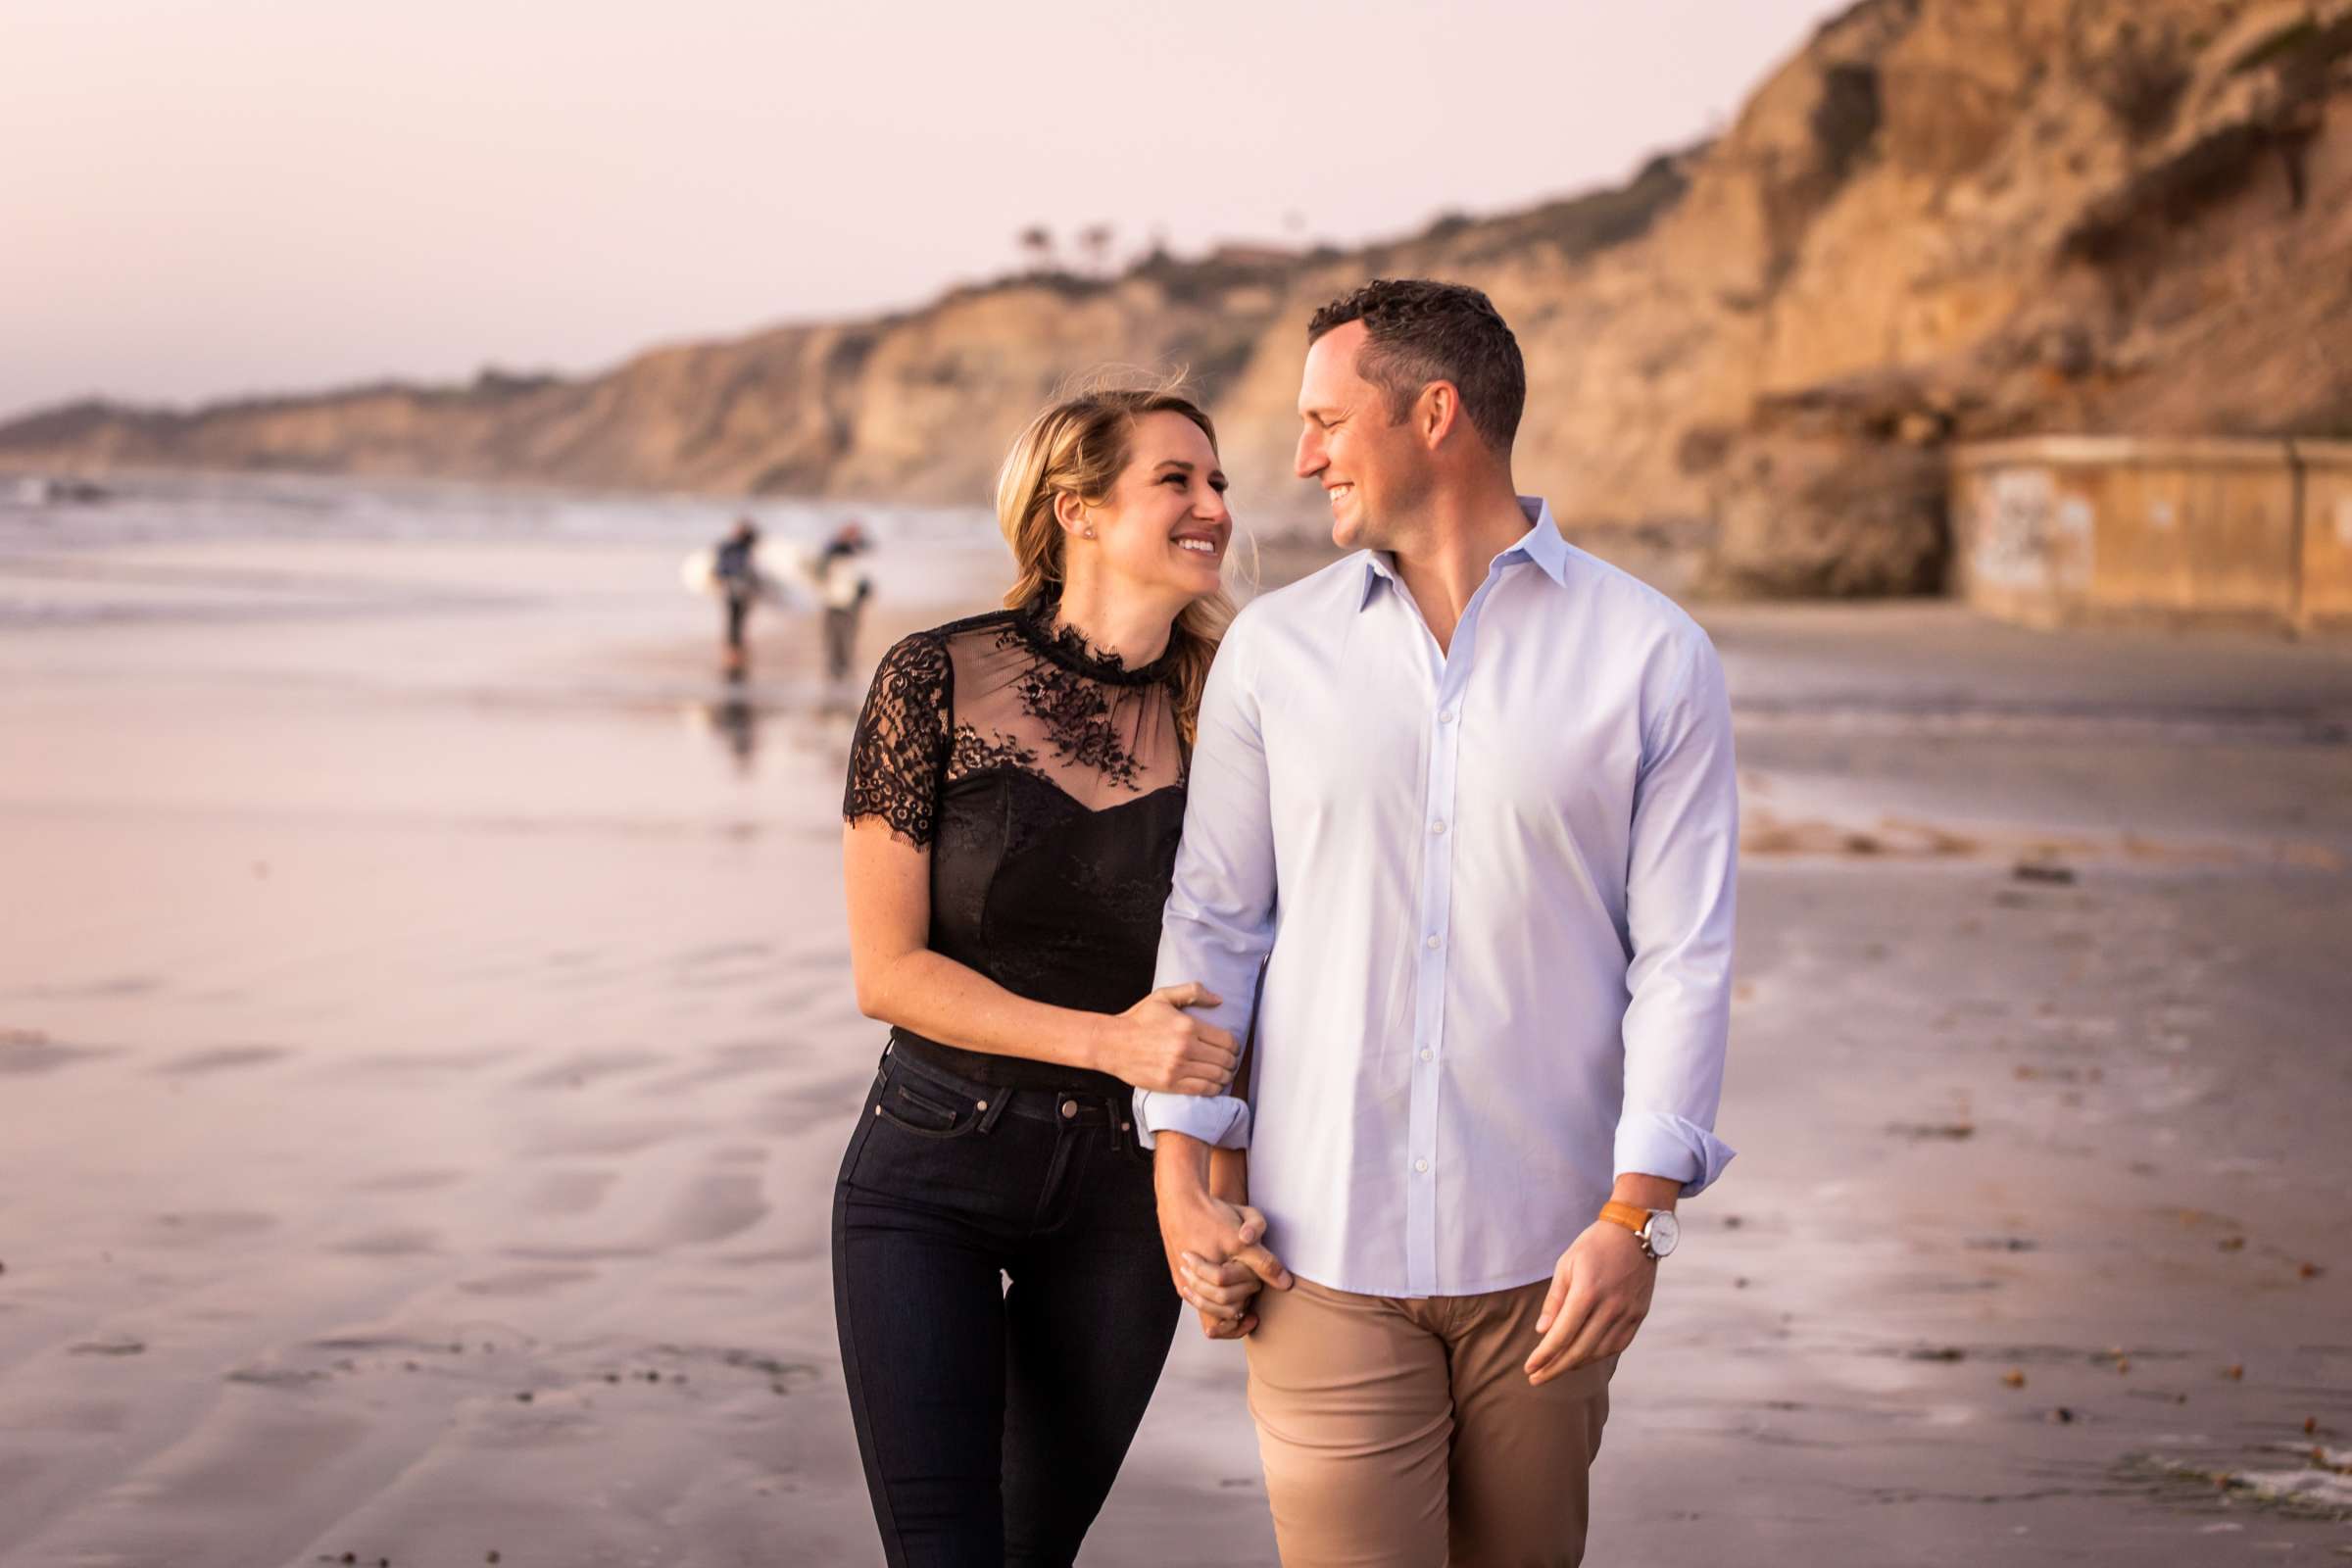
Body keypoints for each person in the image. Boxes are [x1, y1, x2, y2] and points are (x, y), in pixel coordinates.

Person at [1140, 279, 1740, 1568]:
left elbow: (1684, 962)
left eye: (1324, 421)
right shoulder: (1275, 654)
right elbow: (1216, 931)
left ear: (1435, 413)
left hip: (1553, 1259)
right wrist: (1179, 1178)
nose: (1298, 461)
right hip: (1316, 1251)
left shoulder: (1650, 654)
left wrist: (1638, 1221)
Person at [834, 385, 1267, 1567]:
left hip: (1129, 1201)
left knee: (1033, 1552)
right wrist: (1108, 1041)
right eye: (1175, 479)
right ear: (1074, 508)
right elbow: (889, 971)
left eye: (1218, 481)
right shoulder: (935, 679)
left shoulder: (1234, 705)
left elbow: (1252, 965)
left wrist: (1220, 1186)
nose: (1212, 506)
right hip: (931, 1166)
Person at [814, 520, 874, 682]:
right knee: (835, 635)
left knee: (847, 635)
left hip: (849, 601)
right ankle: (836, 667)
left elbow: (864, 578)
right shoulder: (837, 550)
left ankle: (844, 667)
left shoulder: (858, 550)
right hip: (835, 600)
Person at [712, 516, 762, 676]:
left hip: (743, 590)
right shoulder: (731, 547)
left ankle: (736, 652)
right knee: (733, 621)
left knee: (739, 621)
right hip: (734, 589)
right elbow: (721, 567)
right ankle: (733, 653)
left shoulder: (745, 547)